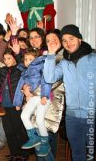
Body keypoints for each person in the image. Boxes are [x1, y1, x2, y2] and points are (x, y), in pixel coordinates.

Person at [44, 24, 95, 161]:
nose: (68, 43)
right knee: (77, 153)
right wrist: (51, 54)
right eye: (64, 40)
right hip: (72, 117)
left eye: (71, 38)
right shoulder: (64, 63)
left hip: (91, 115)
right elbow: (49, 78)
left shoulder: (93, 59)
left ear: (79, 39)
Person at [13, 48, 52, 157]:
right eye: (25, 59)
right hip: (33, 98)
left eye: (30, 59)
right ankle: (33, 137)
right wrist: (18, 102)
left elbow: (46, 80)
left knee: (40, 120)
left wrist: (44, 95)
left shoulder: (41, 67)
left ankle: (45, 143)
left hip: (43, 97)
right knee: (24, 115)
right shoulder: (24, 73)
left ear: (36, 60)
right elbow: (19, 88)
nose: (28, 61)